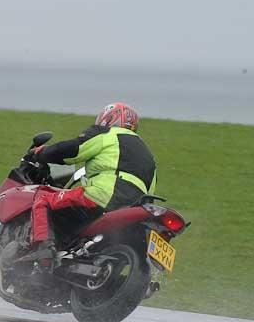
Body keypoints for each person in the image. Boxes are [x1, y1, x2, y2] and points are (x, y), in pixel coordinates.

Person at [27, 102, 157, 268]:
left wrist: (43, 153)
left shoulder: (108, 133)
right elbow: (150, 189)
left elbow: (74, 150)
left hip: (103, 195)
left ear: (109, 118)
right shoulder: (148, 155)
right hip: (133, 207)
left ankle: (43, 253)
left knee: (42, 201)